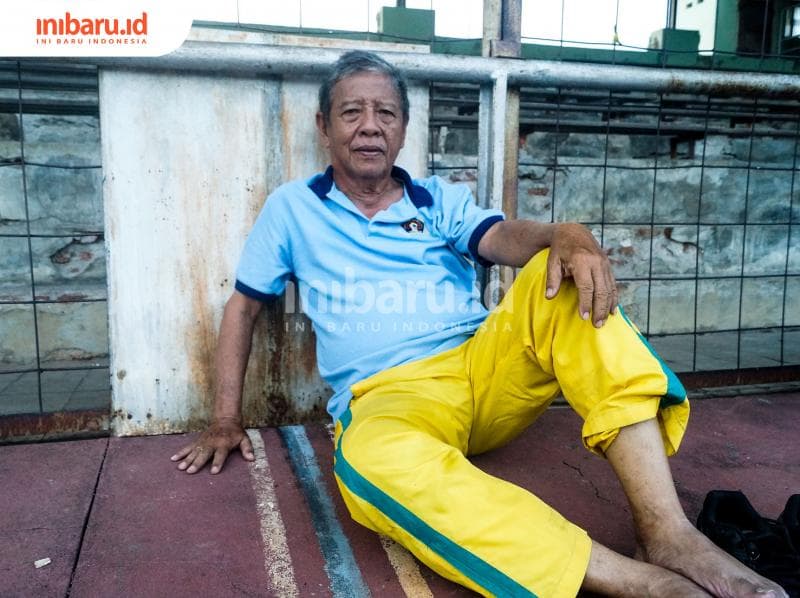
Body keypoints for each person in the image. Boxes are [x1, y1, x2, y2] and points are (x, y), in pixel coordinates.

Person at [171, 50, 788, 598]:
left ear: (403, 128)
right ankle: (633, 580)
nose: (369, 126)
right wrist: (225, 419)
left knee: (560, 273)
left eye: (385, 113)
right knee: (368, 465)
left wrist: (561, 235)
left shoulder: (435, 199)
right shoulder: (292, 210)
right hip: (390, 397)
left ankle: (666, 532)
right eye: (352, 111)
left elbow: (502, 239)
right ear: (325, 125)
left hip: (483, 371)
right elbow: (244, 307)